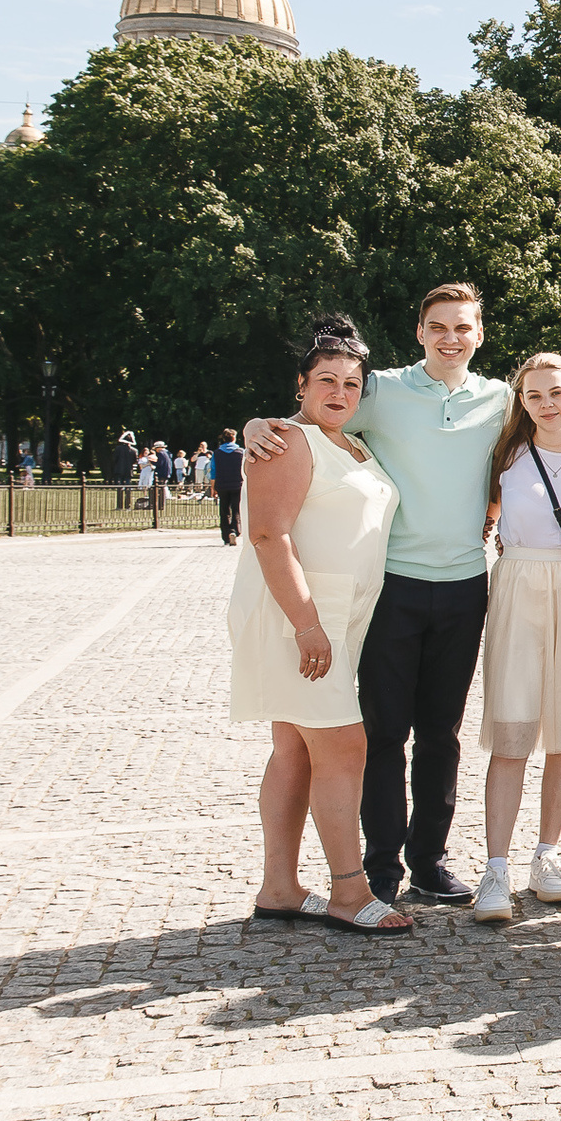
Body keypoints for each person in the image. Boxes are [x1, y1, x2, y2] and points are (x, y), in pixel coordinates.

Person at [246, 282, 509, 908]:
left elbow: (559, 431)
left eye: (462, 327)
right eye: (438, 326)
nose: (451, 338)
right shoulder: (381, 390)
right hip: (393, 586)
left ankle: (430, 862)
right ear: (420, 333)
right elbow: (310, 423)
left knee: (441, 733)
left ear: (478, 334)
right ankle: (380, 866)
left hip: (466, 584)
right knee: (385, 732)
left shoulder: (500, 399)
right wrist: (256, 422)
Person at [228, 316, 409, 936]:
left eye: (352, 383)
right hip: (304, 617)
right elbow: (268, 534)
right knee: (342, 747)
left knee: (293, 751)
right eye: (325, 380)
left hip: (342, 617)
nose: (339, 392)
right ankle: (349, 892)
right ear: (300, 386)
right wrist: (306, 623)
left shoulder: (350, 444)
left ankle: (279, 886)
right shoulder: (289, 440)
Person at [471, 352, 561, 924]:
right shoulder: (504, 455)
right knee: (512, 729)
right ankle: (496, 868)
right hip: (519, 586)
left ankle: (547, 855)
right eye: (533, 395)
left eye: (556, 392)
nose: (546, 404)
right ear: (521, 401)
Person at [213, 431, 245, 547]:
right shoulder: (241, 452)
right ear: (234, 438)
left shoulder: (216, 453)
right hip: (237, 484)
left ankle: (226, 536)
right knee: (236, 509)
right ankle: (235, 531)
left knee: (224, 510)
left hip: (222, 484)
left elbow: (213, 472)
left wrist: (213, 487)